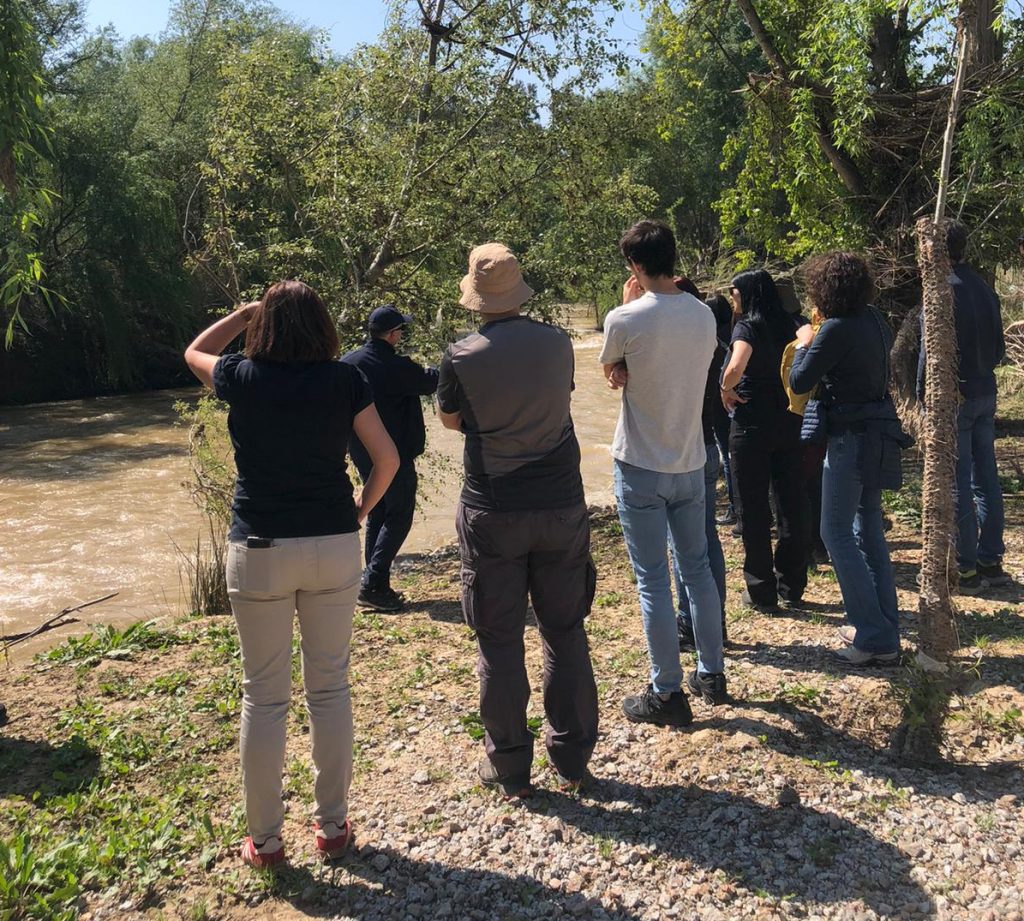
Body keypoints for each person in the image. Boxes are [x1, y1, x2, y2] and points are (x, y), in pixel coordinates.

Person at [184, 281, 399, 868]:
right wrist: (360, 510)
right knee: (329, 688)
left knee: (264, 695)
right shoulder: (346, 379)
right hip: (332, 544)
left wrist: (246, 313)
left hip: (259, 548)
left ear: (264, 327)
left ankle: (268, 841)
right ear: (325, 326)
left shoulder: (241, 376)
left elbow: (193, 351)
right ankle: (332, 828)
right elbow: (387, 459)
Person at [438, 242, 598, 796]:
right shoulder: (559, 342)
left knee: (499, 639)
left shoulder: (460, 356)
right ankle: (573, 757)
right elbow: (564, 399)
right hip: (561, 504)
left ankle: (509, 765)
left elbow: (452, 421)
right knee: (565, 630)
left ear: (476, 297)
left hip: (493, 509)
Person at [600, 219, 726, 728]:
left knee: (653, 581)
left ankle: (666, 691)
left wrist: (627, 307)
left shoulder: (624, 318)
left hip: (640, 465)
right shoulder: (705, 317)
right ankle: (712, 675)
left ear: (634, 265)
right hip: (691, 460)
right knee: (697, 570)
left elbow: (613, 369)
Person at [791, 253, 907, 666]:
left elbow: (799, 381)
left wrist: (805, 343)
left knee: (834, 532)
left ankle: (872, 635)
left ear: (825, 289)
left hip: (849, 439)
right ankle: (883, 630)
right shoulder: (876, 318)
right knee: (868, 532)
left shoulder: (834, 329)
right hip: (877, 432)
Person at [917, 221, 1008, 592]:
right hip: (987, 388)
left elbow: (929, 355)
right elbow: (1001, 348)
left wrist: (924, 399)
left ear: (935, 250)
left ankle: (966, 567)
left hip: (956, 396)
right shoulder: (985, 289)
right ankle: (991, 560)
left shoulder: (939, 292)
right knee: (986, 477)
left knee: (958, 480)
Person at [341, 306, 439, 612]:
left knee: (378, 510)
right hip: (393, 455)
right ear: (394, 334)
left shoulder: (347, 363)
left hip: (360, 451)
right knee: (399, 514)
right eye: (401, 331)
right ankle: (373, 582)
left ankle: (374, 584)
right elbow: (431, 381)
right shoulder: (395, 366)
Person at [721, 269, 808, 611]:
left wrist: (725, 388)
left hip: (751, 424)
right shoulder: (793, 323)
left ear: (748, 294)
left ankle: (762, 590)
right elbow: (809, 341)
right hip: (789, 420)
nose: (732, 298)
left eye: (735, 292)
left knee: (754, 508)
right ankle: (792, 584)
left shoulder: (747, 326)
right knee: (792, 503)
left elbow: (736, 364)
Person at [676, 292, 729, 652]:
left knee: (682, 547)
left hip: (682, 454)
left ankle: (690, 625)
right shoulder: (712, 344)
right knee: (707, 538)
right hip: (709, 447)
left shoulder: (679, 351)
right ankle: (716, 622)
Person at [707, 294, 738, 526]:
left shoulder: (710, 338)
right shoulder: (738, 332)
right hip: (741, 401)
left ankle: (735, 509)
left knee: (728, 458)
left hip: (719, 403)